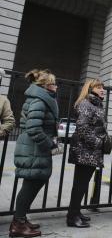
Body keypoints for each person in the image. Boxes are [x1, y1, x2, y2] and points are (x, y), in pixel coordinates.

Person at [10, 69, 58, 237]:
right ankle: (18, 225)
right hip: (34, 148)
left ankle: (21, 219)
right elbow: (33, 128)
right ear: (45, 86)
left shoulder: (42, 99)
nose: (56, 86)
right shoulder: (39, 100)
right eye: (53, 83)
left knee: (33, 183)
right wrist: (50, 144)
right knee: (31, 185)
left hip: (36, 148)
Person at [67, 79, 108, 228]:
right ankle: (72, 217)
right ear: (90, 89)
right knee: (80, 184)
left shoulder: (96, 104)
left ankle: (76, 212)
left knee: (82, 183)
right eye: (98, 87)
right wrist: (98, 142)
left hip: (90, 151)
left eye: (102, 87)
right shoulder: (86, 104)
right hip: (84, 150)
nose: (102, 89)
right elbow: (82, 127)